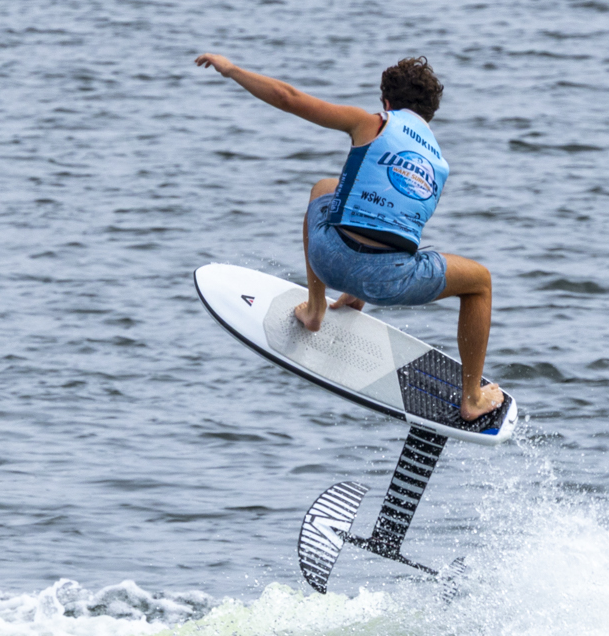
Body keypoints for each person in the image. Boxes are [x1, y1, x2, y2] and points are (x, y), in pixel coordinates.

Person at [192, 53, 503, 421]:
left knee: (323, 188)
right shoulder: (438, 164)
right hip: (391, 284)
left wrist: (233, 70)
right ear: (431, 113)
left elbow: (289, 98)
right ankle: (471, 397)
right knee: (479, 283)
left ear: (386, 103)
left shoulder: (371, 123)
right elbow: (393, 227)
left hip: (329, 260)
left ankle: (315, 308)